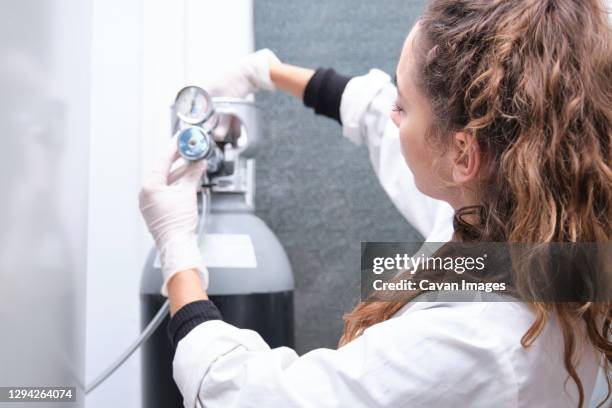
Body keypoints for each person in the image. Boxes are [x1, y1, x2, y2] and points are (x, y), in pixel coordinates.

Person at [138, 0, 612, 406]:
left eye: (403, 105)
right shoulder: (541, 236)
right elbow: (379, 118)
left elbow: (252, 397)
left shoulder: (475, 339)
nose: (391, 113)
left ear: (465, 153)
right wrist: (266, 72)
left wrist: (178, 254)